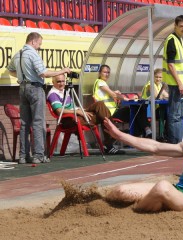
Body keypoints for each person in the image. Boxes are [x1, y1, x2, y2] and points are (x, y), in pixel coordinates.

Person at [7, 32, 71, 164]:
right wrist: (62, 71)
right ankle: (38, 155)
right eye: (39, 44)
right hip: (35, 88)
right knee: (38, 122)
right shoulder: (33, 54)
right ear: (33, 41)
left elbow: (10, 70)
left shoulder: (18, 54)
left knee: (24, 123)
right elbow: (43, 73)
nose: (39, 47)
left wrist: (22, 77)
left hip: (23, 88)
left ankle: (23, 156)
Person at [47, 74, 125, 155]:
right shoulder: (53, 93)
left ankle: (110, 140)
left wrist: (82, 111)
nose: (61, 83)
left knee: (100, 105)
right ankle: (111, 140)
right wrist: (78, 112)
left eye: (63, 81)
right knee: (102, 116)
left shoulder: (64, 91)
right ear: (53, 82)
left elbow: (73, 107)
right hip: (69, 120)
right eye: (58, 81)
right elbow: (59, 111)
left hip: (77, 114)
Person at [93, 65, 152, 138]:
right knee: (136, 110)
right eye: (104, 72)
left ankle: (142, 133)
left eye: (108, 72)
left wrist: (115, 92)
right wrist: (126, 99)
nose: (107, 74)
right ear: (99, 73)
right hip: (110, 113)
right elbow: (113, 95)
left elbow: (108, 94)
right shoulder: (100, 82)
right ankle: (143, 132)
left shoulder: (101, 83)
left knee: (137, 110)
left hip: (111, 111)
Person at [163, 15, 183, 144]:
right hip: (175, 84)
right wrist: (180, 84)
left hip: (181, 84)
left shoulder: (179, 39)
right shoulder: (172, 40)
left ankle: (179, 140)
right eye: (181, 26)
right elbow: (171, 64)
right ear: (175, 26)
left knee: (179, 114)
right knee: (175, 115)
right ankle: (176, 142)